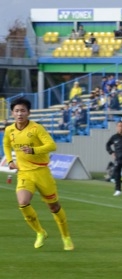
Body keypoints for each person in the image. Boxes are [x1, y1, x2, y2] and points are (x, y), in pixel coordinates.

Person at [3, 97, 74, 251]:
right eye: (16, 111)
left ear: (28, 113)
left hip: (42, 172)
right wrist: (9, 161)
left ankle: (65, 237)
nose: (19, 114)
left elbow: (52, 145)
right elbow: (6, 144)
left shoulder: (36, 129)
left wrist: (34, 150)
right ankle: (40, 232)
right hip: (24, 173)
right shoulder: (10, 130)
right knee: (22, 203)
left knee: (54, 207)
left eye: (23, 110)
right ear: (12, 113)